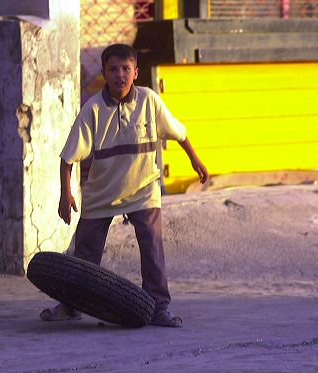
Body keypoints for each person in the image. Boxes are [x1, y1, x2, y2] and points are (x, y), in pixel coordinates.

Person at [40, 43, 208, 327]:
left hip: (143, 190)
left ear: (136, 72)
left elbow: (180, 133)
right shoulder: (92, 109)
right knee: (85, 254)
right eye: (113, 69)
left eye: (126, 69)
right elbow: (68, 157)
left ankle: (158, 309)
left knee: (152, 248)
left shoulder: (149, 100)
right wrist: (65, 194)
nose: (120, 75)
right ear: (104, 73)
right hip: (102, 194)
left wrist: (195, 160)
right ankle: (71, 305)